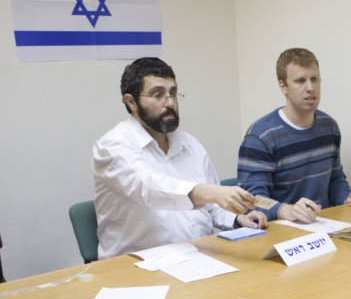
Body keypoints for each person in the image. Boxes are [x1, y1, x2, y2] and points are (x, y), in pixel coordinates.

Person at [93, 57, 267, 260]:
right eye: (158, 95)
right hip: (138, 266)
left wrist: (238, 219)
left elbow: (211, 206)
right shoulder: (111, 146)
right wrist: (213, 193)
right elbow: (150, 188)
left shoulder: (190, 144)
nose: (170, 102)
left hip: (199, 257)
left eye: (173, 93)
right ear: (131, 102)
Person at [237, 48, 351, 223]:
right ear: (283, 86)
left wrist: (345, 197)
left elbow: (335, 179)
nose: (310, 88)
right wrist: (286, 210)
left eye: (315, 79)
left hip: (325, 227)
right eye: (300, 81)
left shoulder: (329, 126)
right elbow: (252, 200)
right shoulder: (260, 136)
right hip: (281, 233)